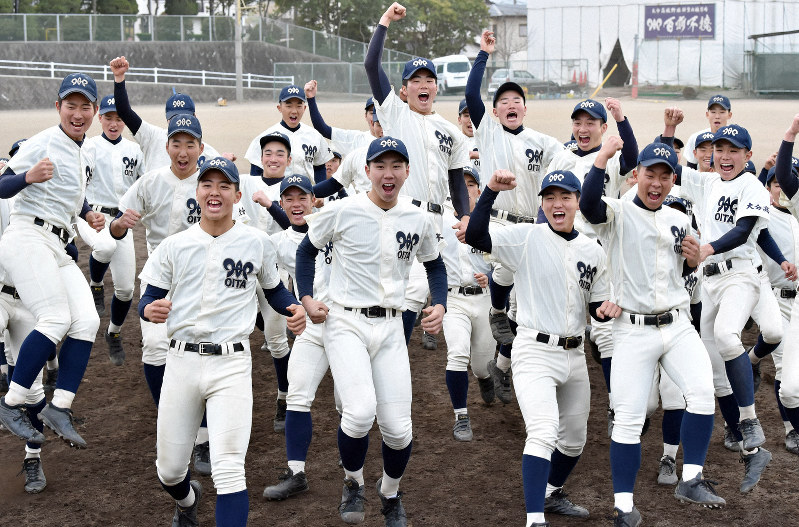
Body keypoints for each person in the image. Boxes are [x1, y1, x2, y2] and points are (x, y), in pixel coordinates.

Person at [138, 156, 305, 527]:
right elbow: (147, 298)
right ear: (197, 193)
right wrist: (149, 311)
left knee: (229, 468)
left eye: (224, 186)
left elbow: (274, 290)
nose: (215, 192)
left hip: (231, 363)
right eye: (208, 185)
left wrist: (293, 307)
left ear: (237, 194)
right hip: (180, 361)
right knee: (168, 470)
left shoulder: (257, 243)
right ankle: (186, 501)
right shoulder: (175, 245)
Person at [295, 136, 447, 527]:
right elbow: (306, 251)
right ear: (366, 171)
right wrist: (308, 297)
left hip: (392, 326)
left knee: (398, 430)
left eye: (396, 165)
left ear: (407, 172)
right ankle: (353, 482)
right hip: (344, 321)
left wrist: (441, 303)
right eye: (380, 165)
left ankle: (390, 493)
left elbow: (436, 266)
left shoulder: (418, 218)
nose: (388, 173)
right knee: (360, 412)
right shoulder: (343, 211)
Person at [581, 140, 725, 525]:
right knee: (628, 418)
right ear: (636, 176)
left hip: (677, 325)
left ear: (673, 180)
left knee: (702, 393)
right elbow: (587, 205)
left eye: (665, 175)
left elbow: (685, 271)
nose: (657, 182)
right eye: (650, 174)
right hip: (632, 330)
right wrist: (602, 158)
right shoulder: (617, 213)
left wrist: (695, 261)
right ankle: (624, 507)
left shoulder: (679, 219)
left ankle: (691, 478)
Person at [466, 168, 620, 526]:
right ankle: (534, 518)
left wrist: (607, 310)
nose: (557, 203)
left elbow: (596, 308)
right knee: (543, 432)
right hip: (534, 352)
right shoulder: (524, 237)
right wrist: (489, 191)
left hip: (575, 354)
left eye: (565, 196)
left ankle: (551, 493)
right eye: (549, 197)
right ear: (542, 204)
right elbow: (475, 234)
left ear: (578, 202)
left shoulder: (591, 250)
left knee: (575, 440)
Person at [666, 115, 774, 493]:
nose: (724, 156)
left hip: (740, 275)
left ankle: (749, 420)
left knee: (730, 338)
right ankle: (753, 450)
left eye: (733, 150)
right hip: (708, 282)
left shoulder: (753, 186)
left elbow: (744, 231)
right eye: (718, 149)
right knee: (715, 374)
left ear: (748, 154)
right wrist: (655, 128)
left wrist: (706, 248)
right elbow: (665, 166)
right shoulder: (707, 180)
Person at [0, 73, 105, 449]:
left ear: (94, 110)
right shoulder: (42, 141)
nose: (77, 112)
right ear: (58, 107)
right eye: (70, 104)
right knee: (55, 317)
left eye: (84, 106)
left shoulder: (82, 149)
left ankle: (59, 406)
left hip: (57, 244)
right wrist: (27, 176)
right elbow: (1, 185)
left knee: (88, 319)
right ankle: (10, 404)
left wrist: (88, 213)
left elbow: (70, 196)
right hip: (27, 236)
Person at [109, 113, 214, 475]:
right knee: (155, 348)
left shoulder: (210, 184)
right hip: (157, 277)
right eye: (176, 143)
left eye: (190, 144)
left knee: (199, 352)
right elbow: (118, 226)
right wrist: (119, 225)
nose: (182, 151)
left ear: (201, 147)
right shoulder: (149, 182)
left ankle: (202, 438)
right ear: (166, 146)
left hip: (200, 280)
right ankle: (167, 414)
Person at [365, 2, 471, 345]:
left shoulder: (451, 131)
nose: (423, 84)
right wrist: (385, 22)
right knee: (393, 289)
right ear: (404, 89)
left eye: (429, 80)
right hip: (401, 211)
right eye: (415, 80)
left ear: (436, 88)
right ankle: (381, 339)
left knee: (420, 287)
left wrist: (466, 214)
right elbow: (371, 64)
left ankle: (396, 338)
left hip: (436, 219)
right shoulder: (395, 113)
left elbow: (456, 179)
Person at [262, 173, 339, 500]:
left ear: (314, 199)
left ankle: (352, 474)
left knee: (349, 405)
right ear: (282, 204)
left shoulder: (337, 227)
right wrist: (295, 307)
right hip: (311, 325)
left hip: (347, 323)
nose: (296, 204)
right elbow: (270, 283)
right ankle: (296, 473)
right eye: (289, 199)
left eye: (302, 197)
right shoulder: (278, 244)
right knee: (297, 394)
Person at [77, 94, 145, 366]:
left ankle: (113, 333)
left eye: (119, 118)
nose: (114, 123)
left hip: (121, 219)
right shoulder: (88, 146)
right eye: (108, 117)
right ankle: (95, 285)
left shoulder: (135, 150)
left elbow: (146, 182)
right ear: (99, 118)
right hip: (92, 214)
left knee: (127, 290)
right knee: (105, 246)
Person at [440, 166, 494, 440]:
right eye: (460, 185)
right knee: (458, 353)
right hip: (454, 299)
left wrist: (491, 276)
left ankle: (486, 378)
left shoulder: (490, 223)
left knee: (483, 365)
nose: (466, 189)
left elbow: (505, 263)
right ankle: (461, 416)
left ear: (479, 190)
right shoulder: (439, 223)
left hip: (484, 300)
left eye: (471, 184)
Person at [108, 56, 232, 172]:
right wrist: (119, 78)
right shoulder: (152, 137)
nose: (180, 121)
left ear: (195, 117)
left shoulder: (205, 151)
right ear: (167, 120)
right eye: (174, 118)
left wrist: (223, 161)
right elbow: (124, 112)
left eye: (185, 116)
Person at [244, 84, 332, 182]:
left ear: (304, 108)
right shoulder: (264, 137)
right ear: (279, 108)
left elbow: (319, 167)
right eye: (289, 106)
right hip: (275, 194)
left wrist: (320, 195)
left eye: (299, 106)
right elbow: (255, 173)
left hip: (306, 194)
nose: (294, 111)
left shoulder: (314, 136)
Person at [682, 95, 732, 169]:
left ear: (729, 115)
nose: (717, 116)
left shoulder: (735, 138)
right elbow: (691, 168)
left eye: (722, 112)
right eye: (713, 112)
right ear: (707, 114)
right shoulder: (695, 137)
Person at [456, 99, 480, 176]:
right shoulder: (453, 142)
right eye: (466, 116)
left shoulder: (490, 142)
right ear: (459, 120)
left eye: (475, 114)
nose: (471, 120)